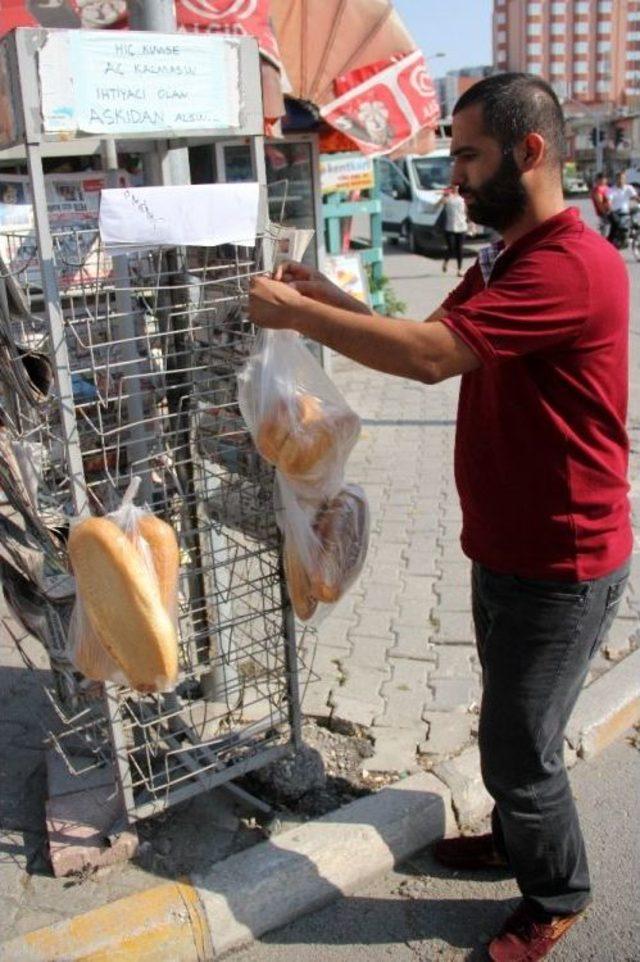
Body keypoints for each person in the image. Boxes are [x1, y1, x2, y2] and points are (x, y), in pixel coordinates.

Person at [249, 73, 631, 962]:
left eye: (467, 155)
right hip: (507, 548)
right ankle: (515, 838)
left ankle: (556, 891)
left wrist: (297, 312)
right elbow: (420, 330)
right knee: (511, 724)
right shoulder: (508, 259)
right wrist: (327, 299)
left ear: (529, 152)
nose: (453, 178)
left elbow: (429, 362)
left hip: (562, 563)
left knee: (520, 751)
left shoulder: (570, 266)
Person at [437, 183, 468, 275]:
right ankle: (445, 263)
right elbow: (437, 205)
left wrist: (471, 223)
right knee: (451, 247)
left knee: (460, 249)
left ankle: (459, 269)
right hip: (450, 227)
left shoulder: (463, 198)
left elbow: (467, 211)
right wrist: (444, 196)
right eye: (454, 187)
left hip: (462, 226)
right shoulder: (448, 197)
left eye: (458, 187)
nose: (456, 188)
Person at [608, 170, 638, 247]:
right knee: (615, 227)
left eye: (622, 178)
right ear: (616, 179)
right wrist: (610, 209)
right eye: (619, 178)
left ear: (625, 179)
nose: (620, 180)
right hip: (616, 212)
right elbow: (609, 201)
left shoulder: (629, 188)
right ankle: (609, 244)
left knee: (636, 221)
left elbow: (635, 198)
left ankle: (632, 238)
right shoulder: (612, 190)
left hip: (626, 211)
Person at [589, 171, 611, 235]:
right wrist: (605, 213)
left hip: (611, 211)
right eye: (601, 179)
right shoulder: (598, 190)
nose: (603, 180)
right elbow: (599, 203)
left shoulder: (607, 188)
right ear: (597, 180)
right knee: (605, 232)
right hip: (604, 213)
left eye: (604, 179)